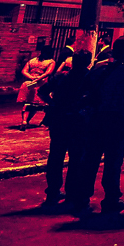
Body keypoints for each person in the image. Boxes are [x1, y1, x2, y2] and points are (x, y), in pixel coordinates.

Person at [69, 37, 124, 216]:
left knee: (90, 160)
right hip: (118, 120)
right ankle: (111, 200)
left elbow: (84, 89)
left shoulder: (98, 67)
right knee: (113, 162)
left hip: (95, 119)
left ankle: (82, 199)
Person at [39, 49, 91, 209]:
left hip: (59, 119)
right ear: (88, 62)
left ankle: (53, 192)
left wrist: (53, 103)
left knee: (56, 157)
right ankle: (71, 192)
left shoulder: (61, 77)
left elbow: (42, 91)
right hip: (79, 121)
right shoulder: (90, 78)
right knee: (76, 158)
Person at [17, 44, 56, 129]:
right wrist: (38, 79)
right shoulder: (50, 61)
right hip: (41, 84)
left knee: (27, 103)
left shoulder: (33, 60)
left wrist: (31, 77)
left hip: (29, 83)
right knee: (40, 104)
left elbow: (24, 71)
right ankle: (45, 122)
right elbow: (48, 73)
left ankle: (24, 120)